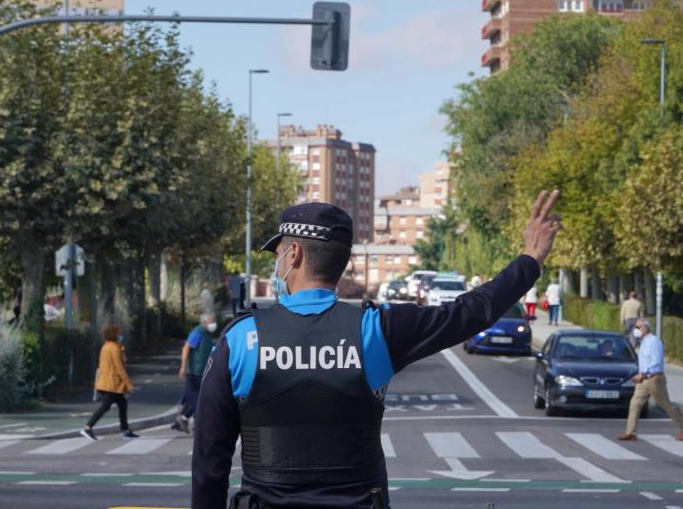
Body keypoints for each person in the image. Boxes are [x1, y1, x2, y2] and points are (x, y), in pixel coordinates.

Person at [192, 190, 562, 509]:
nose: (277, 262)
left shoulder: (241, 338)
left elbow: (210, 459)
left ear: (295, 256)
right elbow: (468, 313)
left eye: (278, 253)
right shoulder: (375, 330)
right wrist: (530, 260)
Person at [618, 319, 683, 442]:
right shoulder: (643, 343)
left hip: (654, 379)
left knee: (666, 406)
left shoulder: (654, 342)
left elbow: (656, 363)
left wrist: (644, 374)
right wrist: (640, 374)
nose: (635, 330)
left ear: (645, 328)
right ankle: (631, 432)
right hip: (643, 380)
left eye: (637, 327)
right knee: (635, 404)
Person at [81, 324, 138, 441]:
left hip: (107, 381)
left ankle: (125, 431)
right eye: (119, 334)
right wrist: (129, 384)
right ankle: (88, 427)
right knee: (105, 406)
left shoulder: (106, 347)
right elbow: (120, 367)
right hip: (112, 383)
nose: (120, 335)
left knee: (122, 404)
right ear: (115, 335)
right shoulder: (114, 348)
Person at [173, 312, 218, 433]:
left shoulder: (207, 334)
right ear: (204, 322)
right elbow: (186, 348)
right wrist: (183, 367)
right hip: (194, 372)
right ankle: (199, 427)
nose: (214, 324)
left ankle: (181, 419)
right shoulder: (197, 333)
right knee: (197, 400)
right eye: (211, 321)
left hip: (203, 372)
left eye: (214, 321)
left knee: (192, 398)